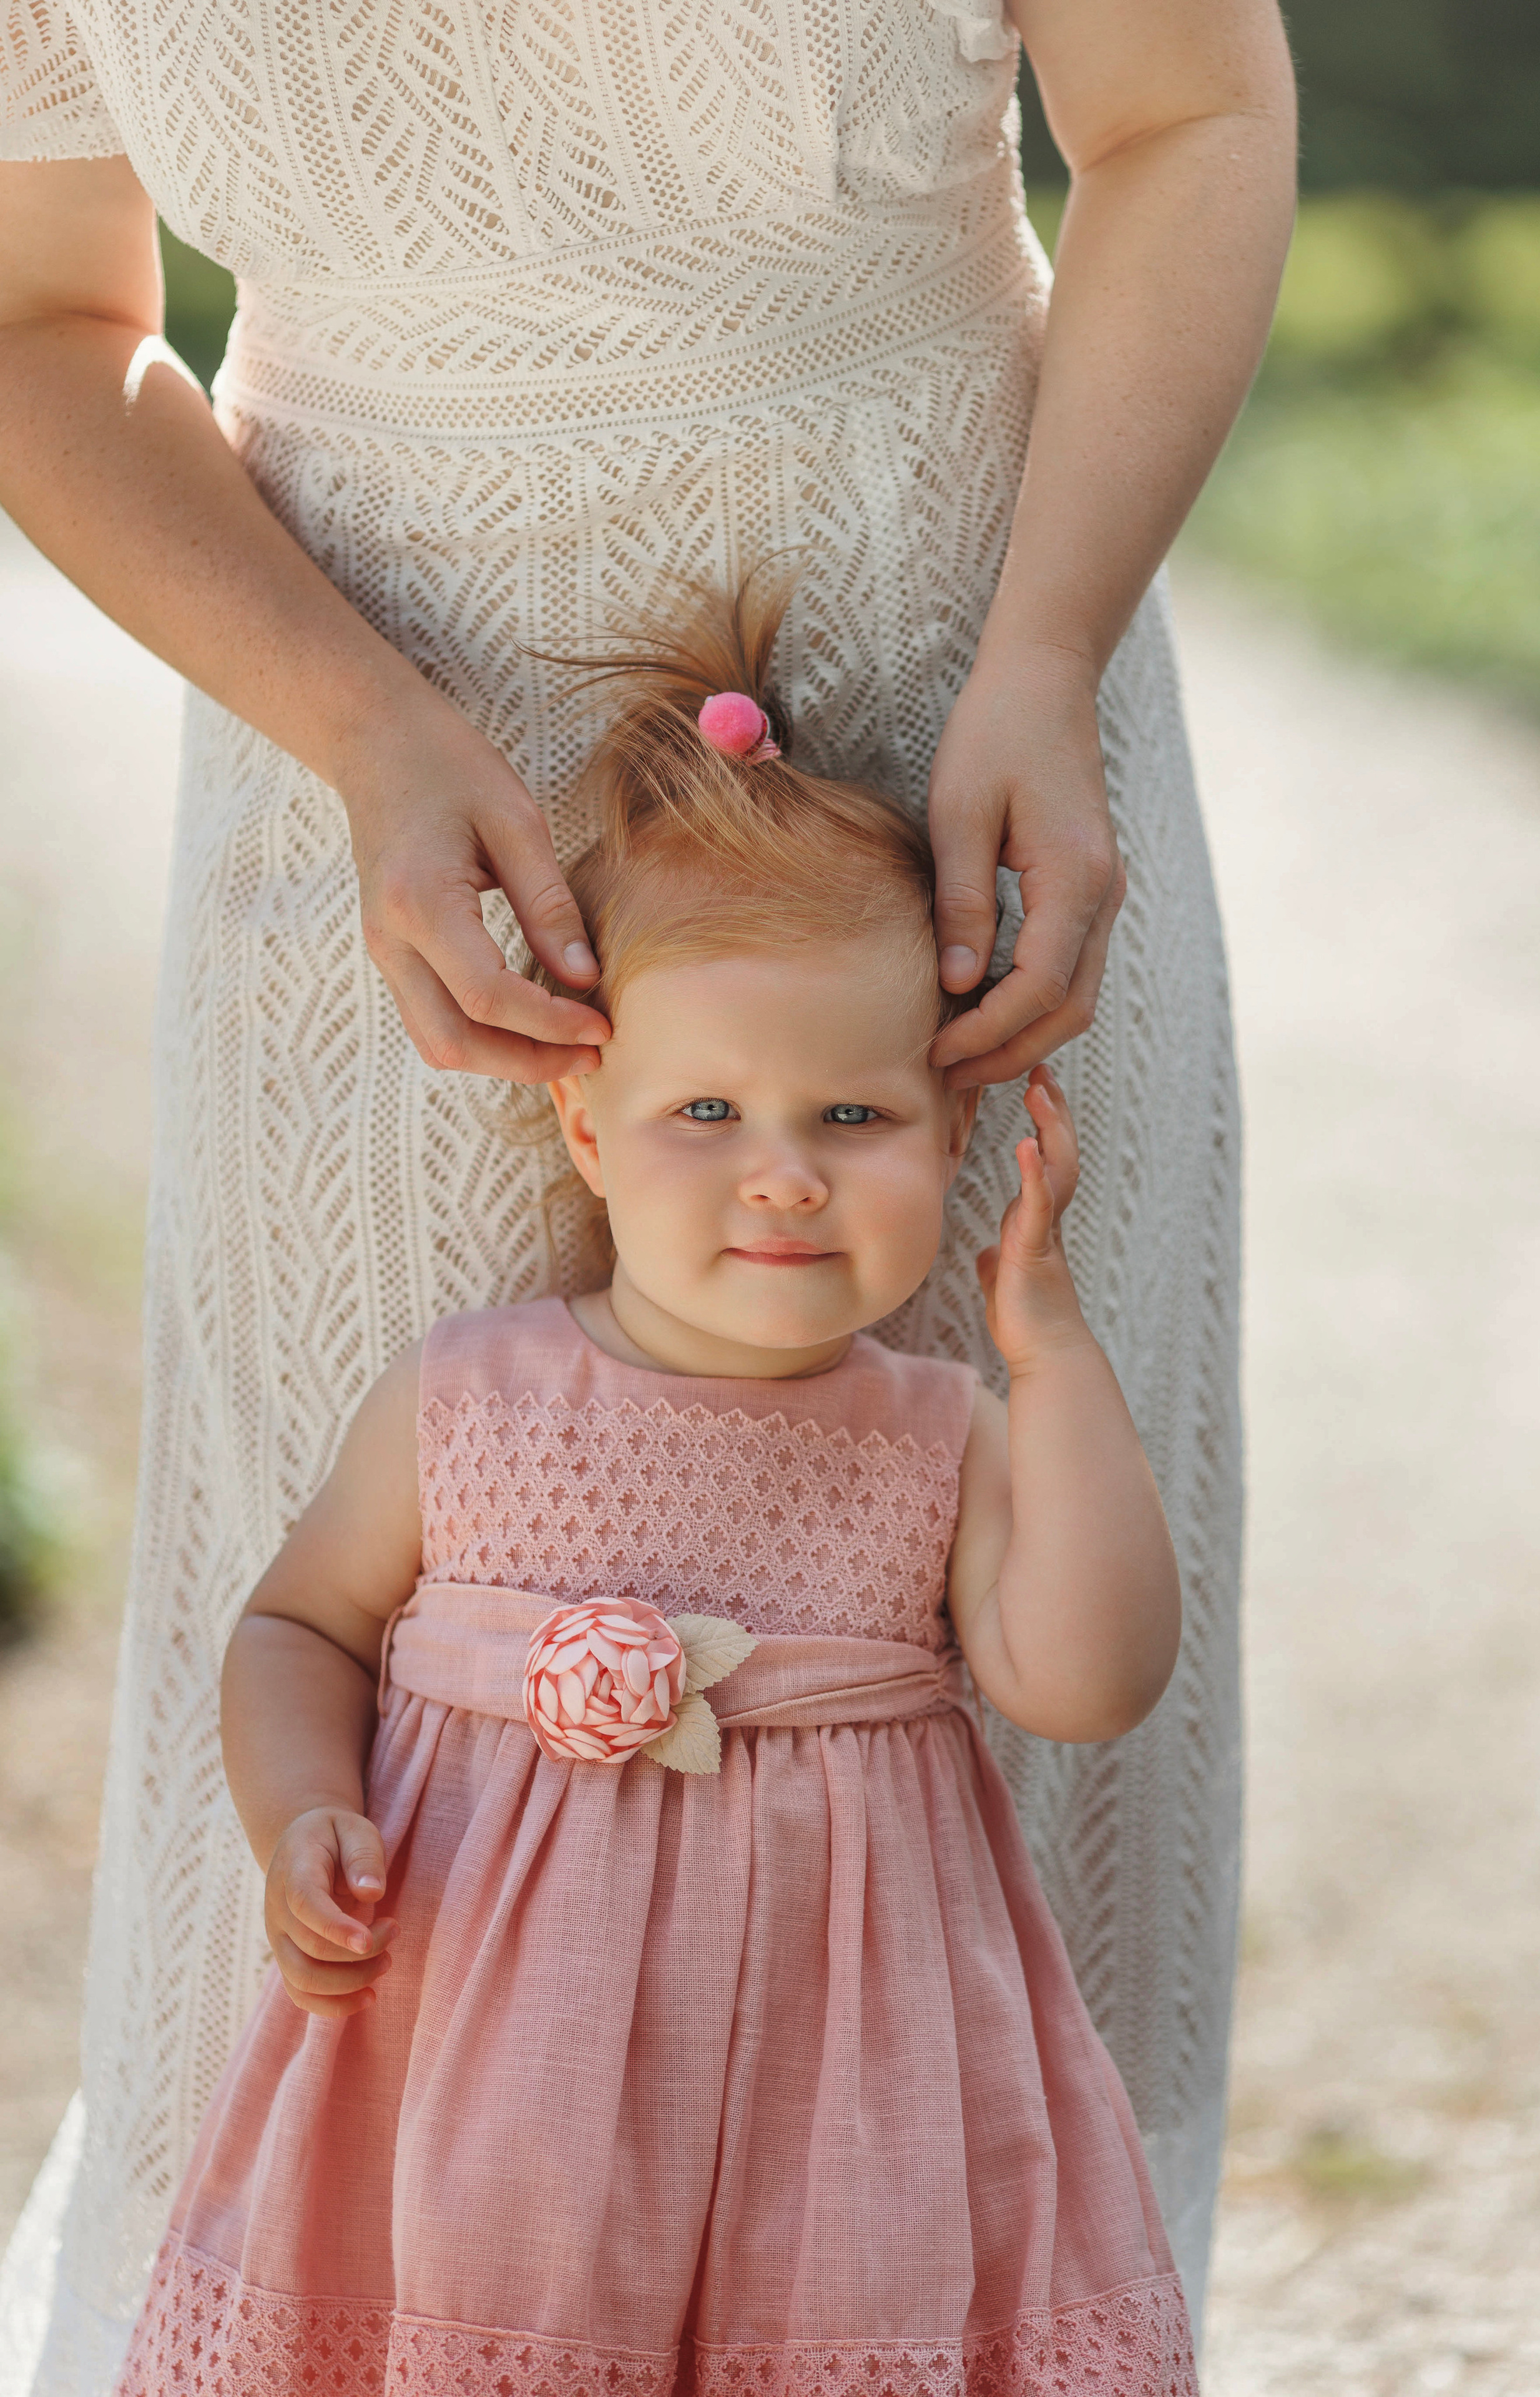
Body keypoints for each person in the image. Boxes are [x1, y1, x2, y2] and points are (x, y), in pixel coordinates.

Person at [0, 1, 1295, 2383]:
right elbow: (36, 321)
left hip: (955, 699)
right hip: (362, 737)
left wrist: (1050, 649)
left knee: (985, 1621)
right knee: (391, 1659)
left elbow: (1193, 110)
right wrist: (368, 732)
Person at [116, 597, 1199, 2391]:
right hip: (492, 2093)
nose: (782, 1180)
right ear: (590, 1128)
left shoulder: (943, 1432)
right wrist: (300, 1805)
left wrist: (1056, 1354)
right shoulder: (470, 1398)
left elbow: (1087, 1683)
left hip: (835, 2100)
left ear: (955, 1139)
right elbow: (301, 1623)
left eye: (855, 1122)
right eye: (709, 1115)